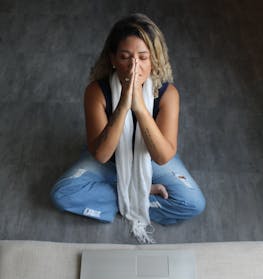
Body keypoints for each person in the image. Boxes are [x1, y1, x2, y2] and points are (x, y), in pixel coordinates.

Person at [50, 13, 206, 243]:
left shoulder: (168, 94)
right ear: (113, 59)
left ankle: (125, 194)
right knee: (62, 194)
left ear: (154, 60)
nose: (135, 66)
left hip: (150, 160)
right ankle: (138, 191)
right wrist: (123, 105)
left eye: (143, 57)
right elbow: (102, 154)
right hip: (110, 160)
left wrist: (141, 108)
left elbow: (162, 156)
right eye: (125, 57)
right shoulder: (96, 91)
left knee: (193, 203)